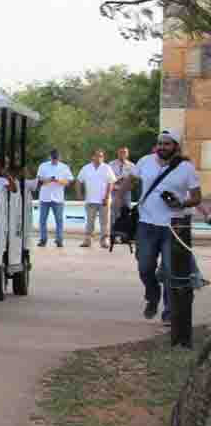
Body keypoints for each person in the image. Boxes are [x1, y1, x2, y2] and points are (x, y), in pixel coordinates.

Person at [134, 130, 203, 321]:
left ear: (176, 146)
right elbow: (130, 180)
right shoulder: (145, 161)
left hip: (173, 226)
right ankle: (152, 296)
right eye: (160, 144)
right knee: (145, 267)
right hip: (146, 224)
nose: (162, 147)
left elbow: (196, 197)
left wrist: (181, 204)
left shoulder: (186, 168)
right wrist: (117, 202)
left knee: (171, 271)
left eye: (167, 144)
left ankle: (169, 313)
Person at [76, 149, 117, 249]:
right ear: (92, 157)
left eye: (101, 156)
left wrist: (107, 197)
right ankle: (88, 240)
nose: (99, 158)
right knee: (90, 222)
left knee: (105, 222)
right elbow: (78, 181)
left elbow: (110, 183)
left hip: (104, 200)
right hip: (90, 200)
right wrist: (79, 194)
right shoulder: (86, 168)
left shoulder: (107, 168)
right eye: (97, 156)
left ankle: (104, 241)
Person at [36, 149, 74, 248]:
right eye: (53, 158)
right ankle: (43, 239)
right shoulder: (43, 166)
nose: (54, 160)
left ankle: (59, 240)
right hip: (45, 197)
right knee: (42, 220)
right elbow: (39, 180)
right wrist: (48, 180)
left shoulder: (64, 167)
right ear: (50, 157)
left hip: (58, 198)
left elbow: (69, 181)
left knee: (59, 220)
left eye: (56, 158)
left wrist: (58, 181)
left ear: (59, 157)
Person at [108, 145, 137, 235]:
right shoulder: (111, 165)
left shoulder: (132, 165)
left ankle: (125, 235)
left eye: (124, 152)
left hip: (126, 193)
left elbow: (134, 181)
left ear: (127, 154)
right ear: (117, 153)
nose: (122, 154)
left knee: (126, 213)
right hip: (114, 193)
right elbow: (108, 180)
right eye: (121, 152)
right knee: (113, 214)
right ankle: (112, 234)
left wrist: (126, 186)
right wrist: (119, 180)